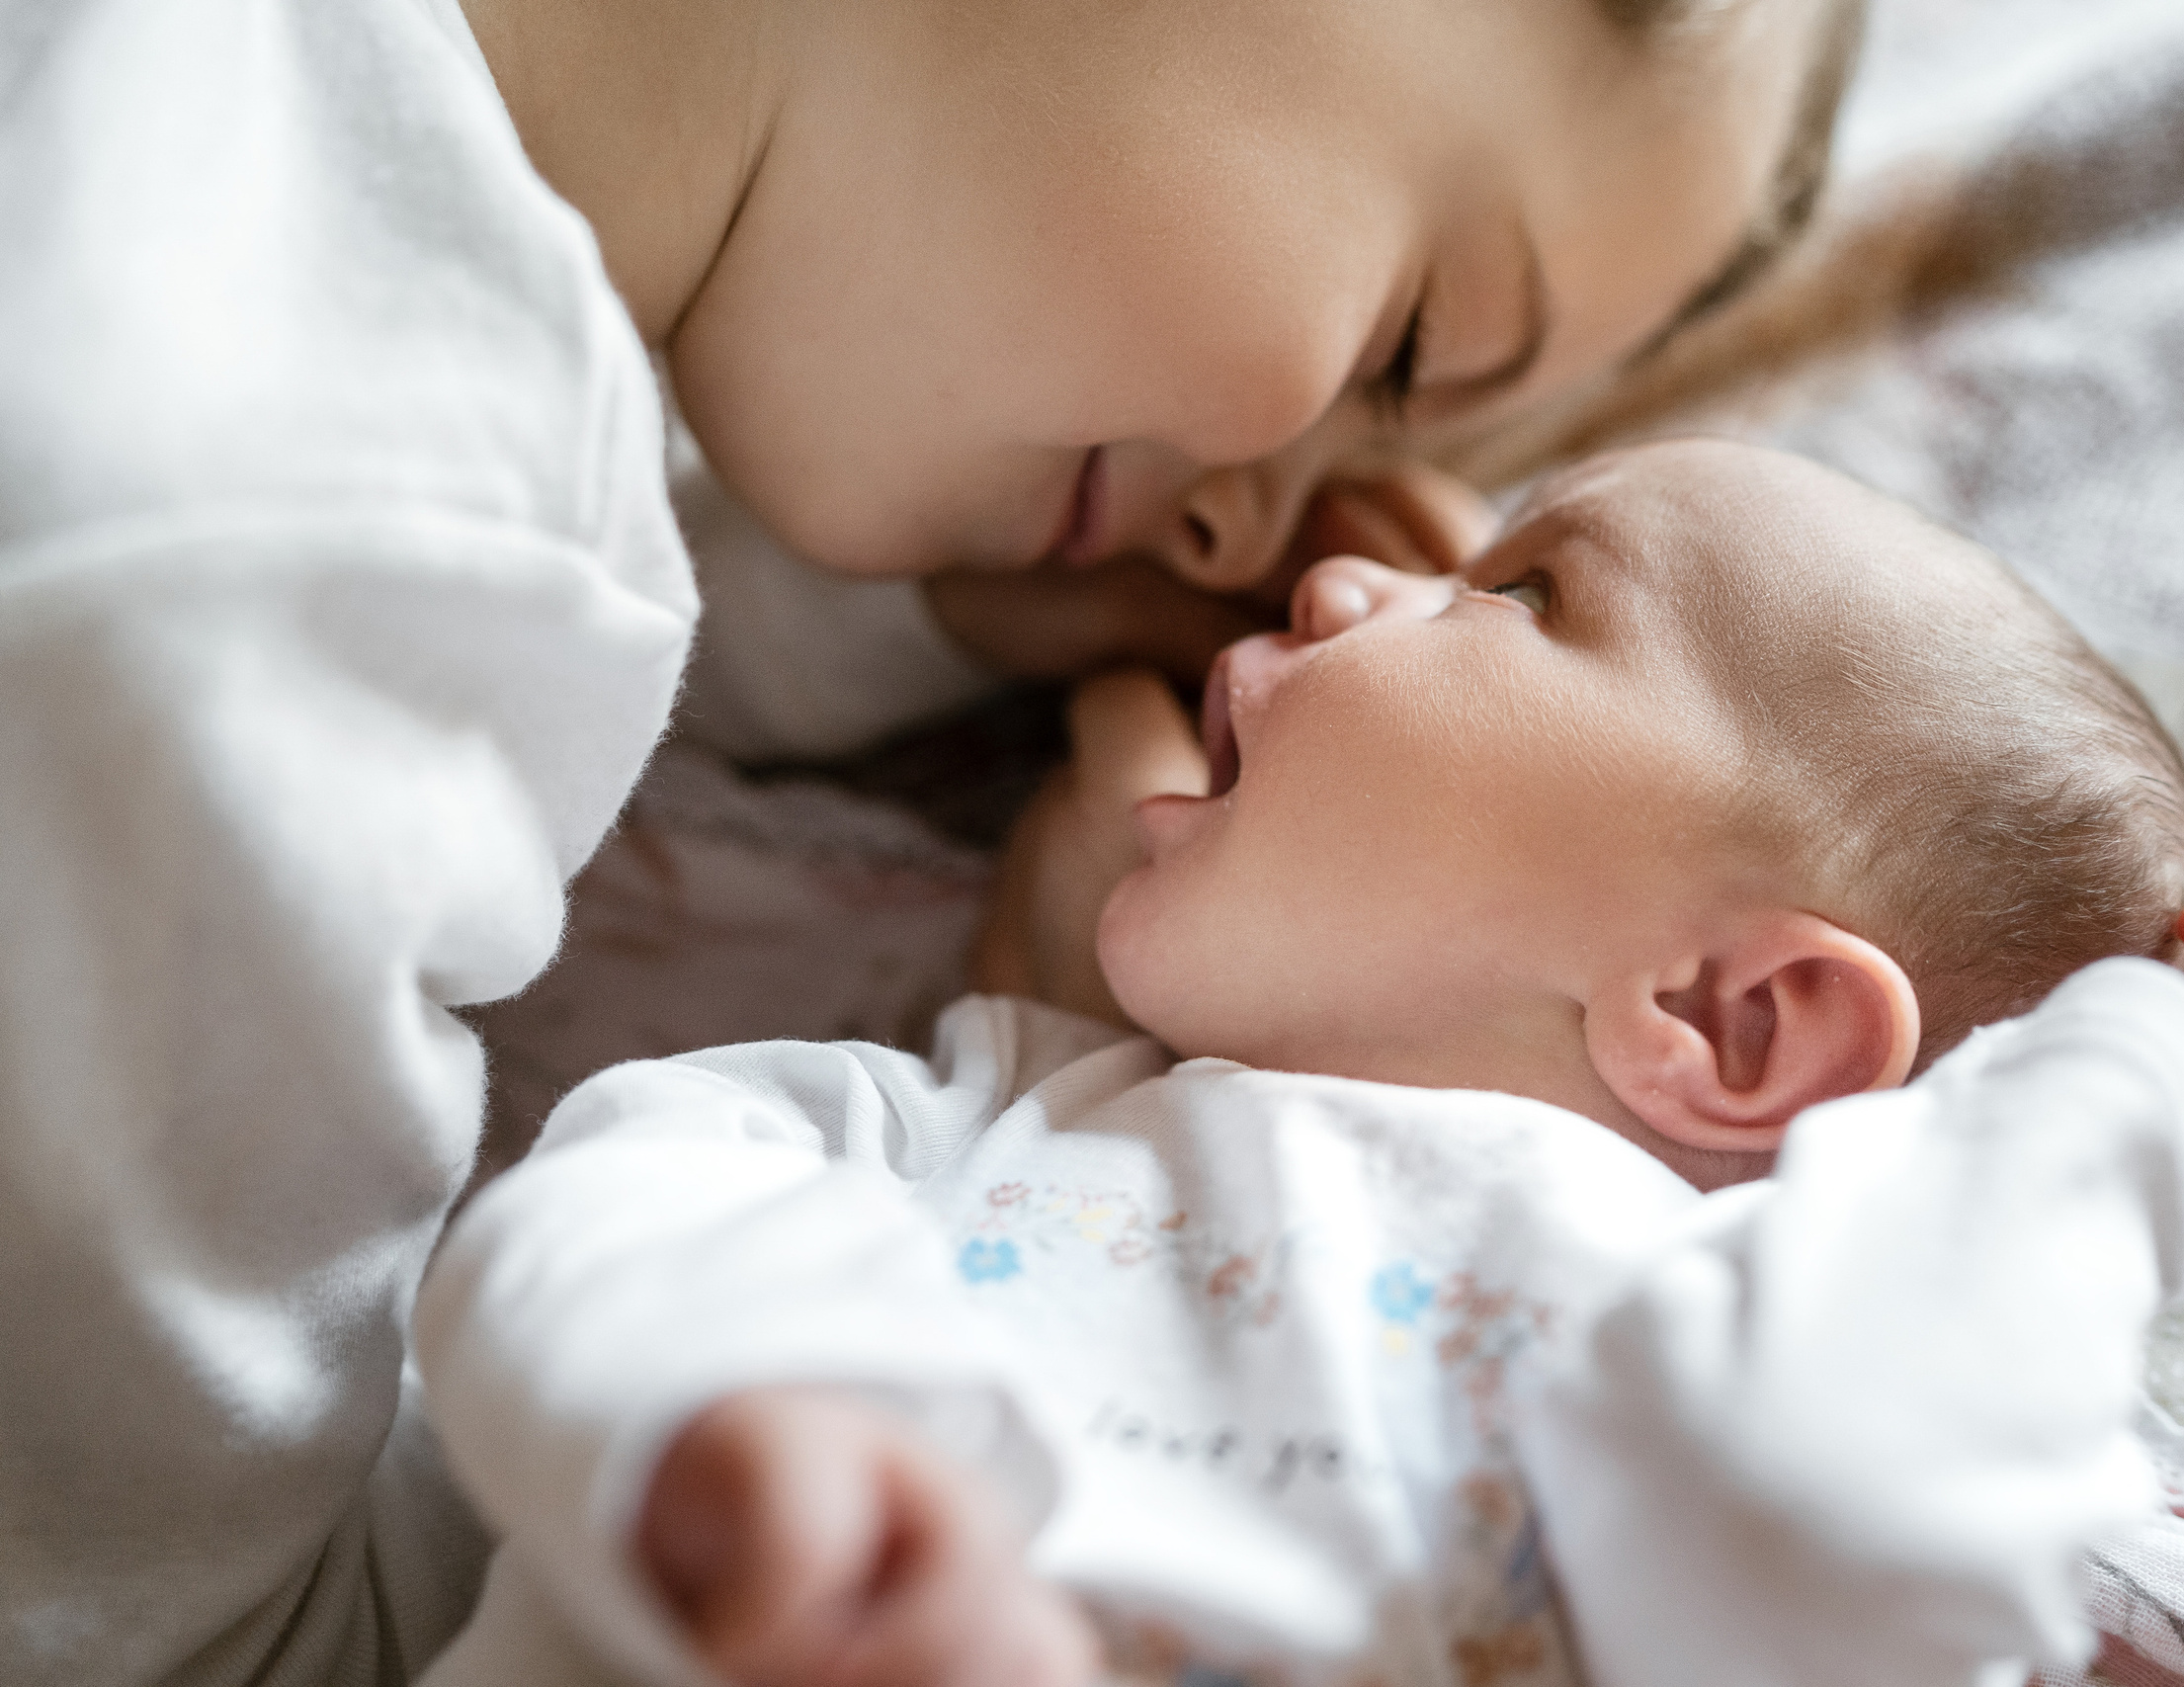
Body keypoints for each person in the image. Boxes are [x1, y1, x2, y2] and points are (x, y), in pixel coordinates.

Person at [0, 0, 1883, 1680]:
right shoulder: (218, 591)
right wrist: (1024, 1189)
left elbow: (438, 660)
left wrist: (925, 623)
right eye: (1409, 344)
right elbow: (200, 1646)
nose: (1253, 540)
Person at [411, 442, 2184, 1687]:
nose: (1334, 584)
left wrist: (2125, 1085)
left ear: (1730, 1021)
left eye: (1525, 596)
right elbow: (599, 1210)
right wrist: (745, 1427)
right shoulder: (976, 1109)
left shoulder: (1740, 1357)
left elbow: (1857, 1483)